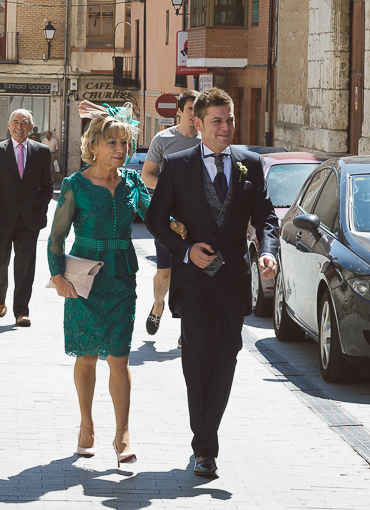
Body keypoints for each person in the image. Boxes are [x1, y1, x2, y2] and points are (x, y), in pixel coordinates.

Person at [145, 88, 279, 479]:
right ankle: (205, 446)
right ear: (198, 124)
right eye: (217, 121)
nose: (226, 127)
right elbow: (156, 219)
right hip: (194, 279)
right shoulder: (178, 164)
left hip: (234, 278)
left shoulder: (250, 164)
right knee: (199, 354)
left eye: (231, 119)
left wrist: (267, 250)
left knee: (227, 356)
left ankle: (208, 431)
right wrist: (186, 250)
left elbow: (265, 216)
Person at [48, 102, 150, 466]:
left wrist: (182, 227)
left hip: (122, 279)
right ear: (93, 146)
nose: (119, 150)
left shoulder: (132, 183)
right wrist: (57, 275)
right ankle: (86, 425)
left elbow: (157, 215)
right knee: (87, 355)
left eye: (124, 143)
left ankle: (122, 435)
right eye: (112, 143)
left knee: (119, 357)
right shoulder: (74, 185)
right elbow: (56, 236)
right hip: (83, 281)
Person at [0, 111, 53, 326]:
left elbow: (47, 187)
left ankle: (21, 311)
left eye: (24, 123)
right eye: (15, 122)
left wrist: (38, 209)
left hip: (28, 222)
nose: (19, 126)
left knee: (25, 266)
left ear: (32, 128)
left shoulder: (41, 152)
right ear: (9, 126)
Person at [140, 90, 200, 338]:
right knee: (165, 273)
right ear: (180, 111)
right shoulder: (163, 139)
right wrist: (170, 193)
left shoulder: (206, 140)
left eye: (198, 110)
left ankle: (186, 327)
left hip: (196, 218)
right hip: (168, 218)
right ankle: (158, 305)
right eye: (189, 110)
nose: (194, 115)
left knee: (192, 272)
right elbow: (146, 175)